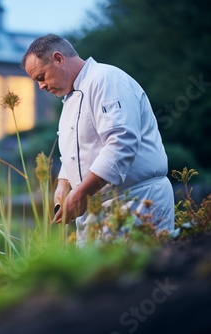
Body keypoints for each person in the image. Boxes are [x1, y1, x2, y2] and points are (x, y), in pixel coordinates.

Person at [21, 34, 174, 246]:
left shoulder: (106, 79)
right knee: (100, 279)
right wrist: (64, 185)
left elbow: (121, 142)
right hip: (96, 210)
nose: (41, 87)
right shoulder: (69, 100)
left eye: (41, 77)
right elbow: (75, 152)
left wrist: (82, 193)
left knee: (136, 276)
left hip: (136, 201)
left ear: (58, 58)